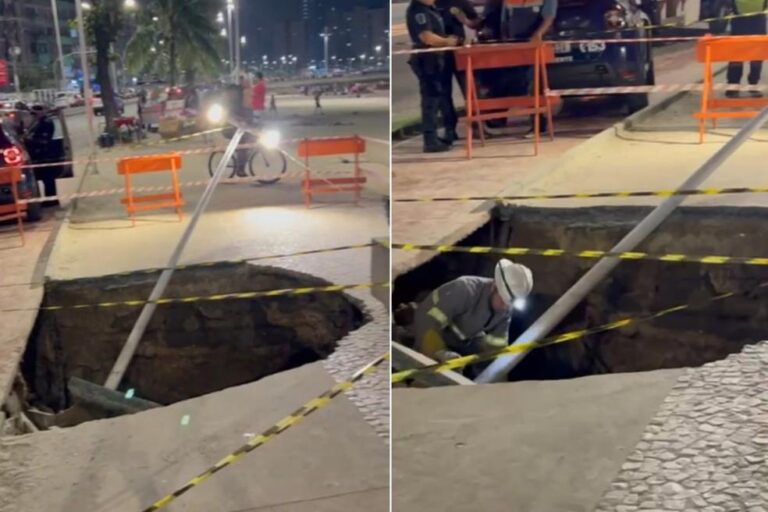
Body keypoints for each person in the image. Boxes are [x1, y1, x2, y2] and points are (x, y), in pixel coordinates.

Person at [413, 259, 534, 368]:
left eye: (510, 303)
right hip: (424, 329)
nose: (506, 306)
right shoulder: (465, 289)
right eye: (503, 300)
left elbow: (496, 348)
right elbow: (427, 321)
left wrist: (497, 371)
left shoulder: (505, 310)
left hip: (459, 341)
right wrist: (439, 353)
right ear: (494, 287)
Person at [496, 0, 558, 137]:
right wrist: (505, 40)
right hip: (516, 47)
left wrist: (538, 34)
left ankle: (539, 125)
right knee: (522, 83)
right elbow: (504, 20)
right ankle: (534, 122)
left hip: (536, 47)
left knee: (535, 85)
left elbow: (549, 17)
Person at [406, 0, 461, 153]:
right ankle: (430, 141)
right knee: (430, 100)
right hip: (426, 61)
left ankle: (438, 136)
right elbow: (426, 37)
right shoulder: (418, 11)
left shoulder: (430, 9)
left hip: (435, 59)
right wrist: (447, 41)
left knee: (439, 98)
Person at [726, 0, 767, 98]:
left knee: (755, 56)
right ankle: (735, 85)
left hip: (753, 22)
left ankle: (750, 84)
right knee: (738, 56)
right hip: (746, 22)